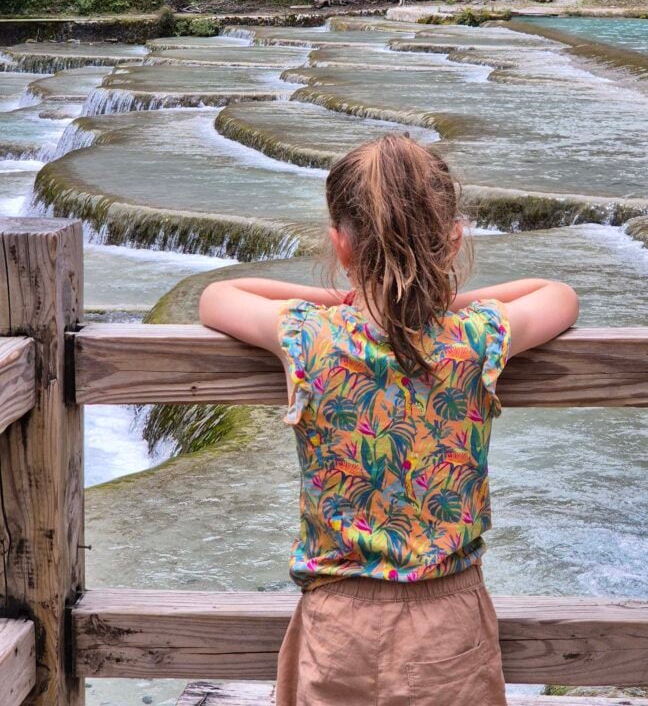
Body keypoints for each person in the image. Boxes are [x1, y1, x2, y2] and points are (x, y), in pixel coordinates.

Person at [199, 133, 579, 705]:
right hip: (449, 617)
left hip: (338, 621)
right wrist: (440, 302)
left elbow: (218, 295)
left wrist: (342, 299)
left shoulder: (309, 334)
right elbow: (558, 294)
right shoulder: (478, 335)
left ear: (340, 245)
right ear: (452, 241)